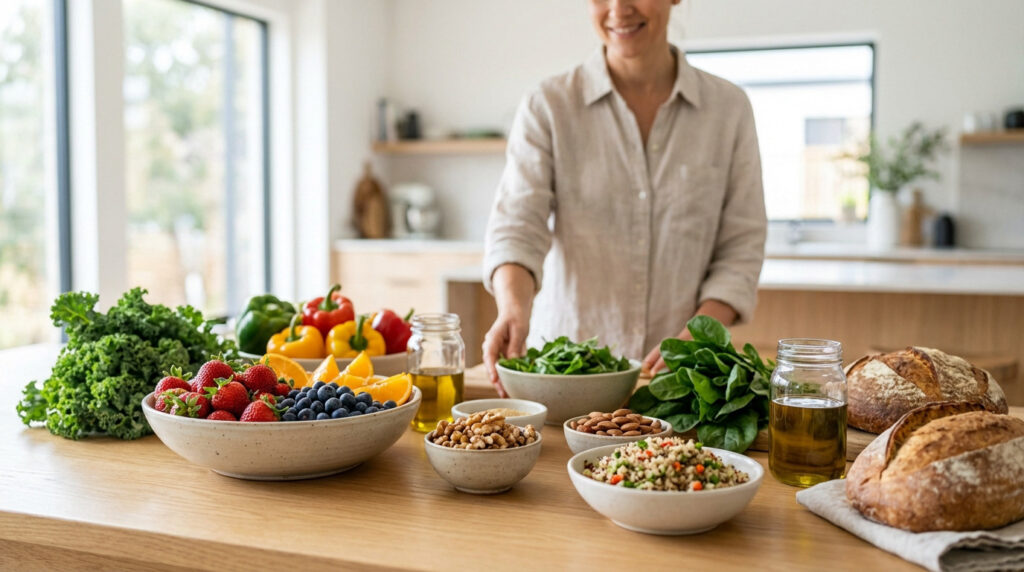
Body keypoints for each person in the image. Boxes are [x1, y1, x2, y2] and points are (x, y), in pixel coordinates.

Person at [482, 0, 766, 396]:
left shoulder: (728, 110)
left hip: (679, 386)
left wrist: (698, 335)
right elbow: (517, 226)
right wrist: (513, 309)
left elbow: (742, 246)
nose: (618, 8)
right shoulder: (548, 105)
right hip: (565, 384)